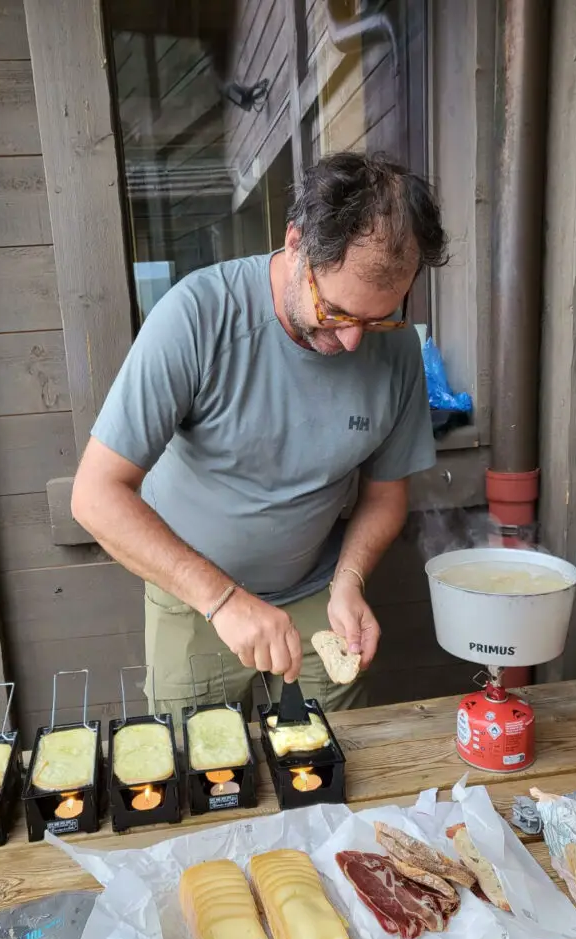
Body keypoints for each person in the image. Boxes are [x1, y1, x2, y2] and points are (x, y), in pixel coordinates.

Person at [71, 152, 447, 719]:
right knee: (195, 775)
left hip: (321, 594)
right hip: (194, 601)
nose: (353, 343)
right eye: (338, 312)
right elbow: (95, 495)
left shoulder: (394, 350)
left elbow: (386, 493)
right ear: (296, 243)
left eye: (377, 320)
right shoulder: (197, 317)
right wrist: (222, 600)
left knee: (336, 764)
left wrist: (350, 579)